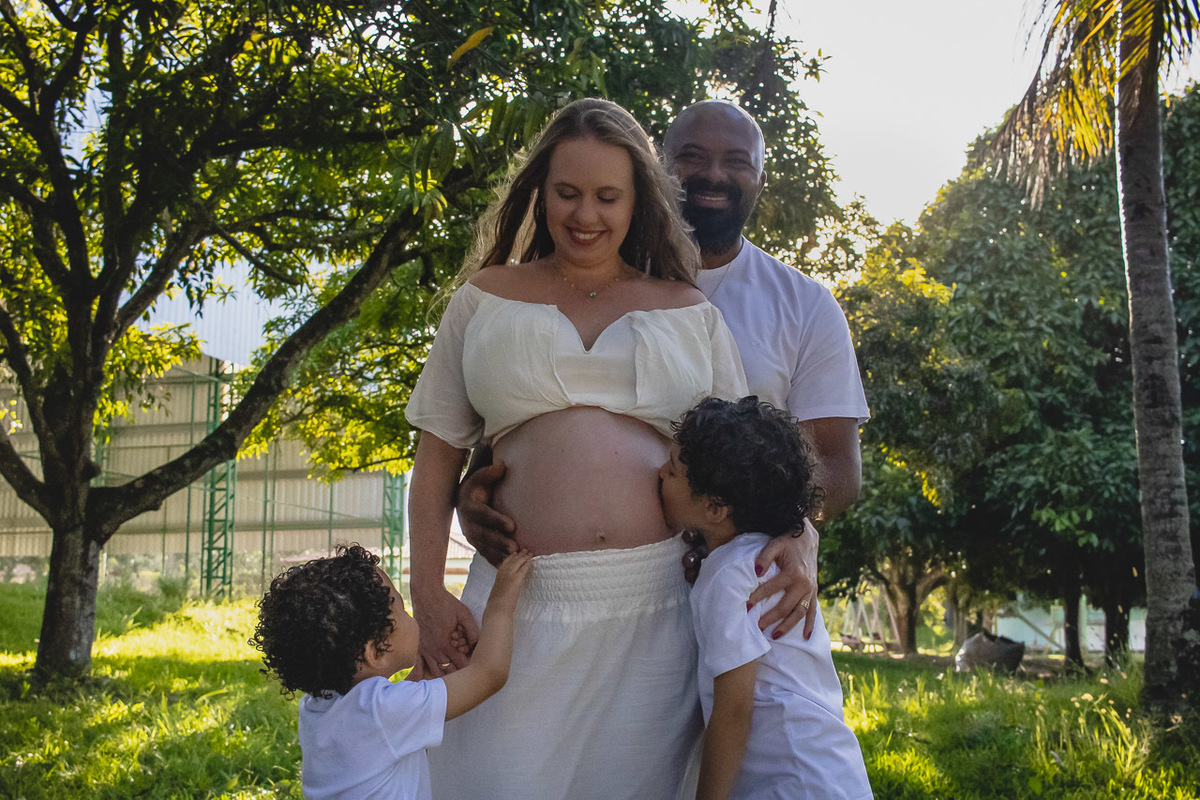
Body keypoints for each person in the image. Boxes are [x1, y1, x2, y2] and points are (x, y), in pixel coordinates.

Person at [403, 98, 748, 799]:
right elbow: (436, 456)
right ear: (539, 192)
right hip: (513, 608)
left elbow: (746, 460)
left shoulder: (688, 310)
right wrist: (427, 593)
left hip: (658, 609)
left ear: (637, 200)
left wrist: (793, 545)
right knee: (491, 780)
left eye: (606, 196)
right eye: (566, 193)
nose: (584, 215)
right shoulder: (484, 299)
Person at [460, 100, 868, 641]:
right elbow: (512, 416)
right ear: (656, 173)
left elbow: (837, 465)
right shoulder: (587, 263)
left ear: (760, 179)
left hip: (740, 592)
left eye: (736, 161)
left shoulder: (806, 305)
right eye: (693, 157)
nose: (714, 175)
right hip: (545, 597)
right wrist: (471, 495)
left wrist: (795, 531)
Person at [660, 397, 873, 800]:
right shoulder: (761, 560)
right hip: (830, 771)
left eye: (672, 471)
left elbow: (734, 710)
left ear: (715, 507)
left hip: (793, 781)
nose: (659, 474)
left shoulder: (730, 577)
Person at [251, 544, 532, 800]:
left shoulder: (316, 709)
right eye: (401, 608)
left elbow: (376, 730)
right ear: (376, 651)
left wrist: (416, 684)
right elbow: (489, 673)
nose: (410, 615)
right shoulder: (383, 711)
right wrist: (500, 605)